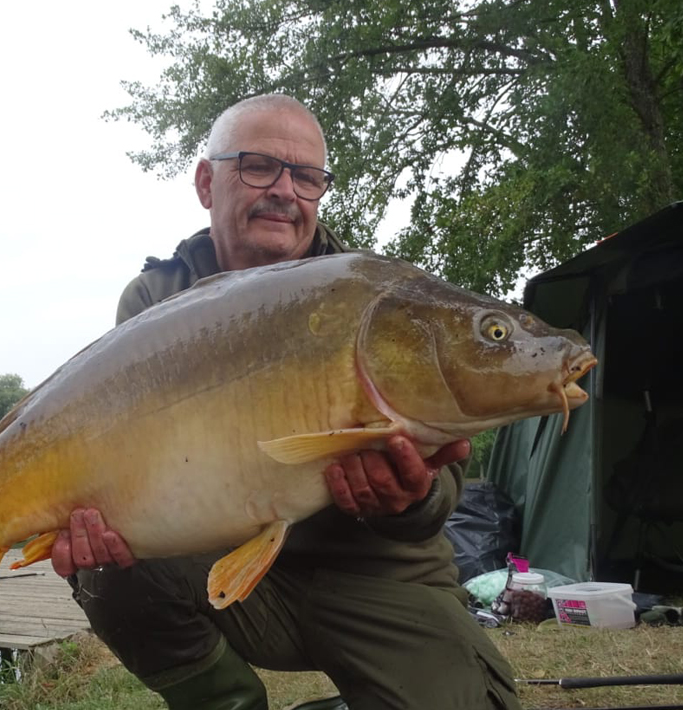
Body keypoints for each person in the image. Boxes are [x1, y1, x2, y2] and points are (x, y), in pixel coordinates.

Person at [49, 94, 522, 710]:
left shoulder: (376, 297)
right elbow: (124, 472)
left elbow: (440, 495)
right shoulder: (157, 299)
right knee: (108, 565)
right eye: (258, 166)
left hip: (380, 573)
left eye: (306, 176)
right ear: (205, 181)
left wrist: (409, 496)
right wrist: (93, 517)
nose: (284, 191)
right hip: (232, 573)